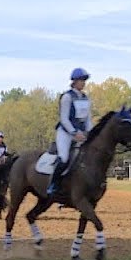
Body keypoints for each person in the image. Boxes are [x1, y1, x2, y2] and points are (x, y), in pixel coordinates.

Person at [46, 67, 92, 196]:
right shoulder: (67, 97)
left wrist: (91, 133)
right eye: (82, 80)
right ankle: (53, 184)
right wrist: (74, 132)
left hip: (81, 134)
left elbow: (88, 119)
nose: (84, 83)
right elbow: (64, 119)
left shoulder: (85, 98)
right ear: (75, 81)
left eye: (85, 80)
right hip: (65, 133)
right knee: (64, 158)